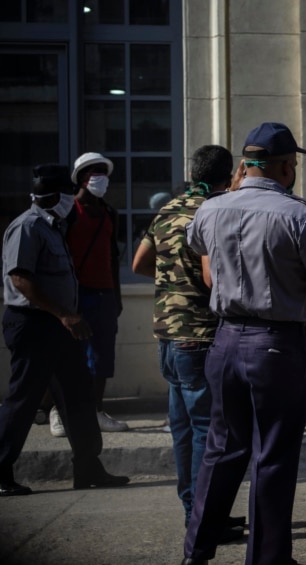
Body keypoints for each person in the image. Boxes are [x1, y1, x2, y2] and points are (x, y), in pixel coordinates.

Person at [177, 122, 306, 565]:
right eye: (292, 163)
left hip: (225, 339)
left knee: (220, 450)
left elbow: (207, 268)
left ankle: (195, 556)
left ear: (244, 164)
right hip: (275, 345)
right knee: (271, 457)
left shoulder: (211, 209)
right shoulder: (297, 215)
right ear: (284, 166)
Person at [132, 145, 245, 540]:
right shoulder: (214, 211)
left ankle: (193, 511)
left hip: (167, 333)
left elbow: (139, 263)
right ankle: (204, 519)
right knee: (206, 430)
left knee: (182, 427)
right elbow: (215, 277)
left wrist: (173, 286)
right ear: (227, 176)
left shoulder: (169, 208)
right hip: (199, 333)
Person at [0, 164, 129, 496]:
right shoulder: (27, 227)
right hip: (35, 324)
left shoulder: (53, 226)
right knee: (23, 401)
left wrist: (66, 316)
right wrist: (63, 314)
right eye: (69, 195)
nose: (74, 200)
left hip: (60, 324)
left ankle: (88, 468)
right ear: (56, 196)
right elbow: (20, 279)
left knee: (79, 397)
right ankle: (1, 470)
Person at [54, 152, 129, 435]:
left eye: (103, 173)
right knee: (67, 354)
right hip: (75, 294)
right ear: (81, 178)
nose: (100, 178)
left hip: (104, 293)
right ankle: (59, 411)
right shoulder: (69, 211)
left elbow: (112, 257)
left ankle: (96, 410)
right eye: (93, 172)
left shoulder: (110, 212)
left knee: (101, 356)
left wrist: (117, 295)